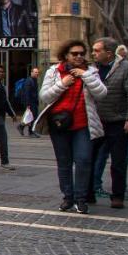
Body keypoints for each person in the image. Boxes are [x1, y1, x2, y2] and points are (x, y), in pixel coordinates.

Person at [34, 39, 107, 213]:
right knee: (64, 162)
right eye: (75, 54)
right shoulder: (54, 71)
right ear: (66, 55)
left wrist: (85, 76)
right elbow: (45, 96)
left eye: (82, 53)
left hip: (83, 124)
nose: (79, 57)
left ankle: (81, 199)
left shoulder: (91, 72)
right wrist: (62, 83)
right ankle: (68, 197)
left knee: (83, 160)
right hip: (59, 124)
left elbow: (102, 93)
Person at [88, 37, 128, 209]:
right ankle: (89, 193)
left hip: (117, 121)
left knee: (118, 161)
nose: (93, 54)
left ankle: (117, 196)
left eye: (97, 51)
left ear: (109, 53)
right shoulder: (92, 68)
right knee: (89, 158)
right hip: (95, 121)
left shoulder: (126, 68)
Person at [14, 67, 41, 137]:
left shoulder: (34, 80)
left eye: (37, 72)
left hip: (33, 102)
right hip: (30, 102)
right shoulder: (29, 81)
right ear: (31, 73)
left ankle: (22, 127)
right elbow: (27, 93)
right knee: (32, 117)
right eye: (35, 72)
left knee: (31, 117)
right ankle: (30, 132)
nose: (37, 74)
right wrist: (28, 104)